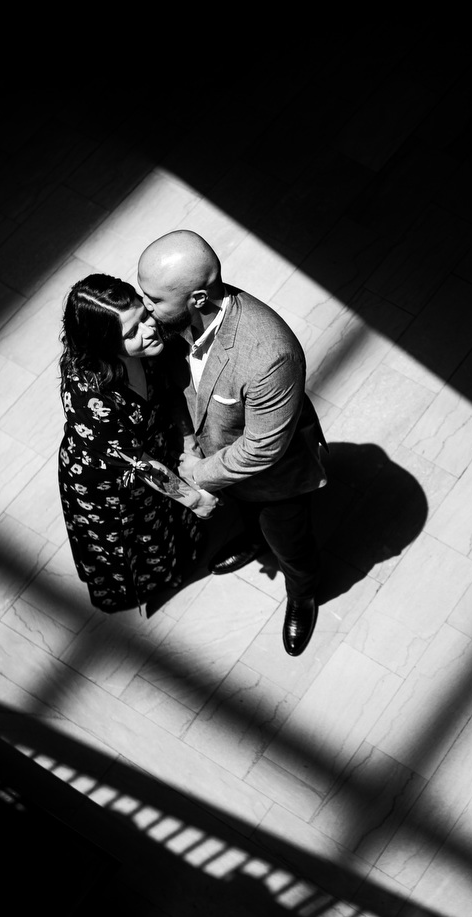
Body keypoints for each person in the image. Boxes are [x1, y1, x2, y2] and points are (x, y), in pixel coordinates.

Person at [136, 230, 328, 656]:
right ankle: (254, 538)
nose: (143, 308)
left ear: (199, 299)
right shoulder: (175, 319)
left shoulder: (269, 353)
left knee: (291, 543)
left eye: (153, 300)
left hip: (276, 476)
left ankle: (303, 594)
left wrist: (197, 473)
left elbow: (263, 448)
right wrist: (190, 445)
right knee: (249, 513)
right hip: (219, 459)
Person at [56, 273, 218, 614]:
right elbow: (139, 463)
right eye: (131, 333)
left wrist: (188, 442)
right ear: (103, 346)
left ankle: (181, 559)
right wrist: (194, 499)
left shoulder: (153, 345)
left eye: (143, 316)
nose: (148, 330)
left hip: (153, 450)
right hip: (109, 484)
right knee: (133, 540)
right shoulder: (88, 396)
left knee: (167, 520)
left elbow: (170, 392)